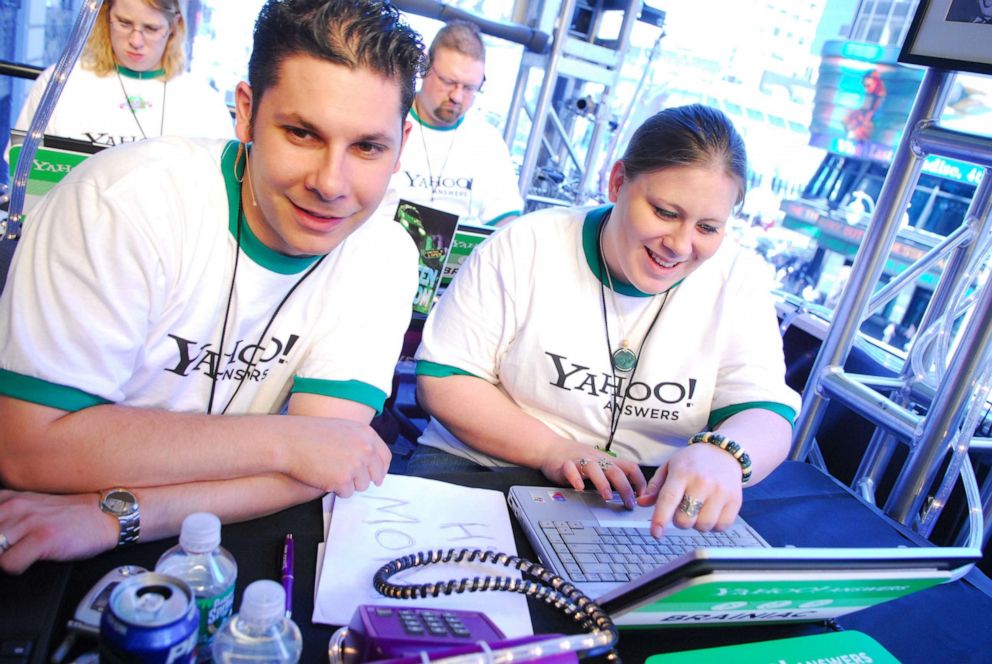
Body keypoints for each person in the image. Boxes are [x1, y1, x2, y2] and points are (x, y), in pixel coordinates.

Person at [0, 0, 424, 574]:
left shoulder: (386, 255)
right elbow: (29, 449)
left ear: (401, 142)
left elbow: (326, 463)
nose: (330, 184)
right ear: (246, 112)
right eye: (302, 133)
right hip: (41, 525)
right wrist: (287, 441)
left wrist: (116, 514)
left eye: (367, 147)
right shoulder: (121, 202)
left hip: (109, 522)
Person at [412, 104, 801, 537]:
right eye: (665, 213)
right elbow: (444, 379)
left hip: (641, 497)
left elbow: (766, 413)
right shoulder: (528, 244)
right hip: (487, 463)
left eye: (707, 228)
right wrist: (554, 449)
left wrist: (725, 454)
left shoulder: (737, 279)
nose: (679, 245)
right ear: (617, 182)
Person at [5, 0, 233, 163]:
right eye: (124, 23)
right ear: (106, 15)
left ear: (174, 26)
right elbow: (22, 172)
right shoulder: (58, 82)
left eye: (151, 29)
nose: (135, 40)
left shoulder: (204, 103)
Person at [385, 20, 522, 226]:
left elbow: (506, 220)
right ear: (425, 67)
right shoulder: (388, 120)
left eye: (469, 88)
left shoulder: (488, 142)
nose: (457, 96)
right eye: (449, 82)